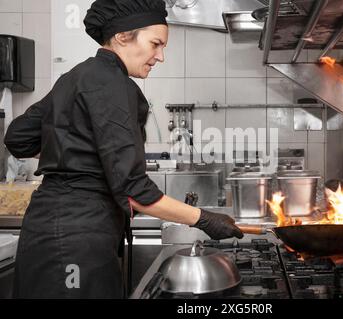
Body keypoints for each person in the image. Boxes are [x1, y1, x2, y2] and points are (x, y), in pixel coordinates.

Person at [4, 0, 243, 299]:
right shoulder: (113, 84)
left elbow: (17, 138)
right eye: (156, 44)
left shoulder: (74, 78)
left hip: (45, 232)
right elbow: (133, 189)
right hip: (76, 242)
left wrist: (80, 152)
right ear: (121, 36)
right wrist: (202, 218)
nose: (161, 56)